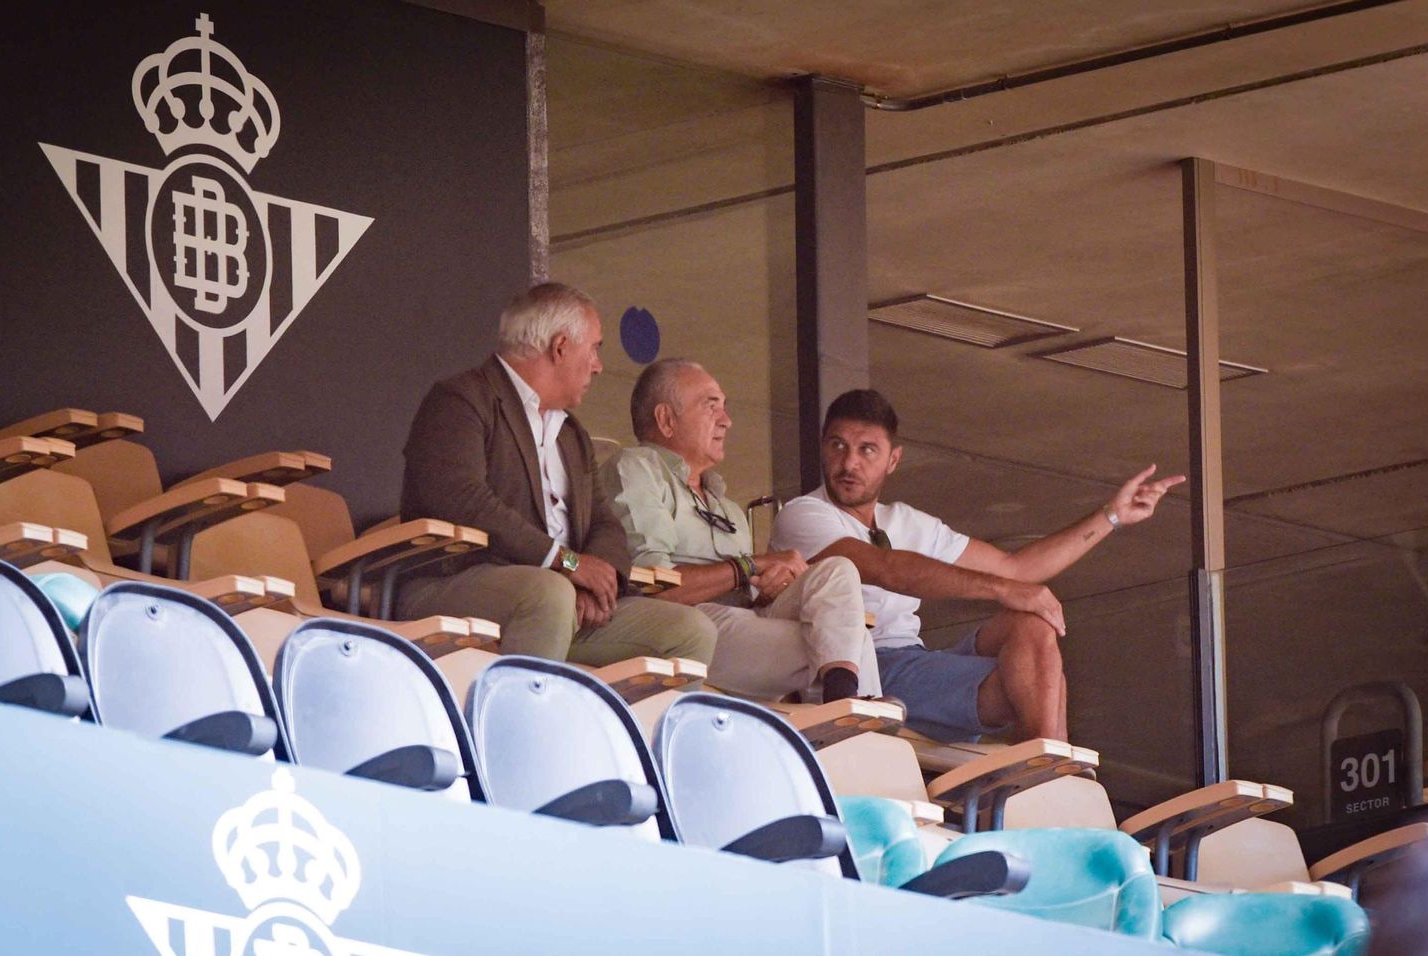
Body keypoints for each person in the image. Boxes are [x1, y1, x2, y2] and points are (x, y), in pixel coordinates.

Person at [770, 388, 1184, 742]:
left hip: (914, 662)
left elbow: (1017, 569)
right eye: (837, 445)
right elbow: (887, 568)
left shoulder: (908, 521)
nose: (849, 463)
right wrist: (1005, 591)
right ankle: (1049, 782)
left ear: (893, 460)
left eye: (867, 450)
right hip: (861, 666)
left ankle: (1047, 765)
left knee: (1031, 625)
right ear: (823, 445)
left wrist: (1111, 516)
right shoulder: (804, 514)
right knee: (1029, 661)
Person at [396, 283, 717, 667]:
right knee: (549, 594)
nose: (599, 365)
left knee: (692, 631)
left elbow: (605, 523)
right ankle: (519, 725)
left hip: (561, 598)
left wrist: (593, 584)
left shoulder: (571, 433)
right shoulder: (461, 399)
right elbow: (462, 499)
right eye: (595, 347)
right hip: (454, 585)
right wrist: (565, 564)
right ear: (560, 346)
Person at [605, 359, 879, 703]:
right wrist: (748, 567)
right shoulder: (636, 467)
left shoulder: (727, 507)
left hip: (741, 620)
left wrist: (769, 588)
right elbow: (656, 586)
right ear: (666, 420)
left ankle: (847, 710)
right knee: (841, 643)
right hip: (684, 624)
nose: (726, 420)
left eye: (725, 408)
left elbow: (747, 595)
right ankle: (849, 717)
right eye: (711, 407)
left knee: (839, 572)